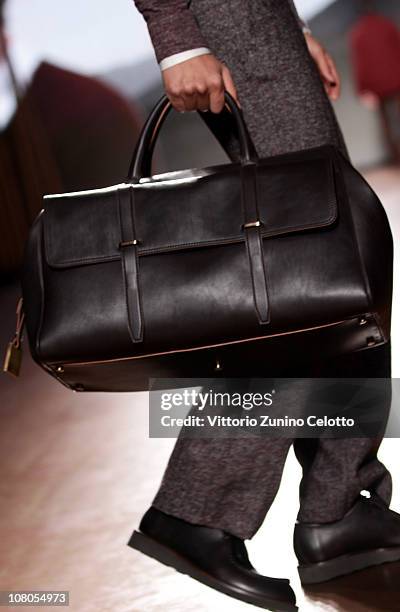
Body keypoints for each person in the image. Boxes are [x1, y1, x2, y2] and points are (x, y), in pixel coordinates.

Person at [127, 2, 399, 611]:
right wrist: (173, 33)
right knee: (310, 270)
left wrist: (292, 26)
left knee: (337, 261)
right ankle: (197, 512)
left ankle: (340, 504)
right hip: (228, 18)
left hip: (260, 21)